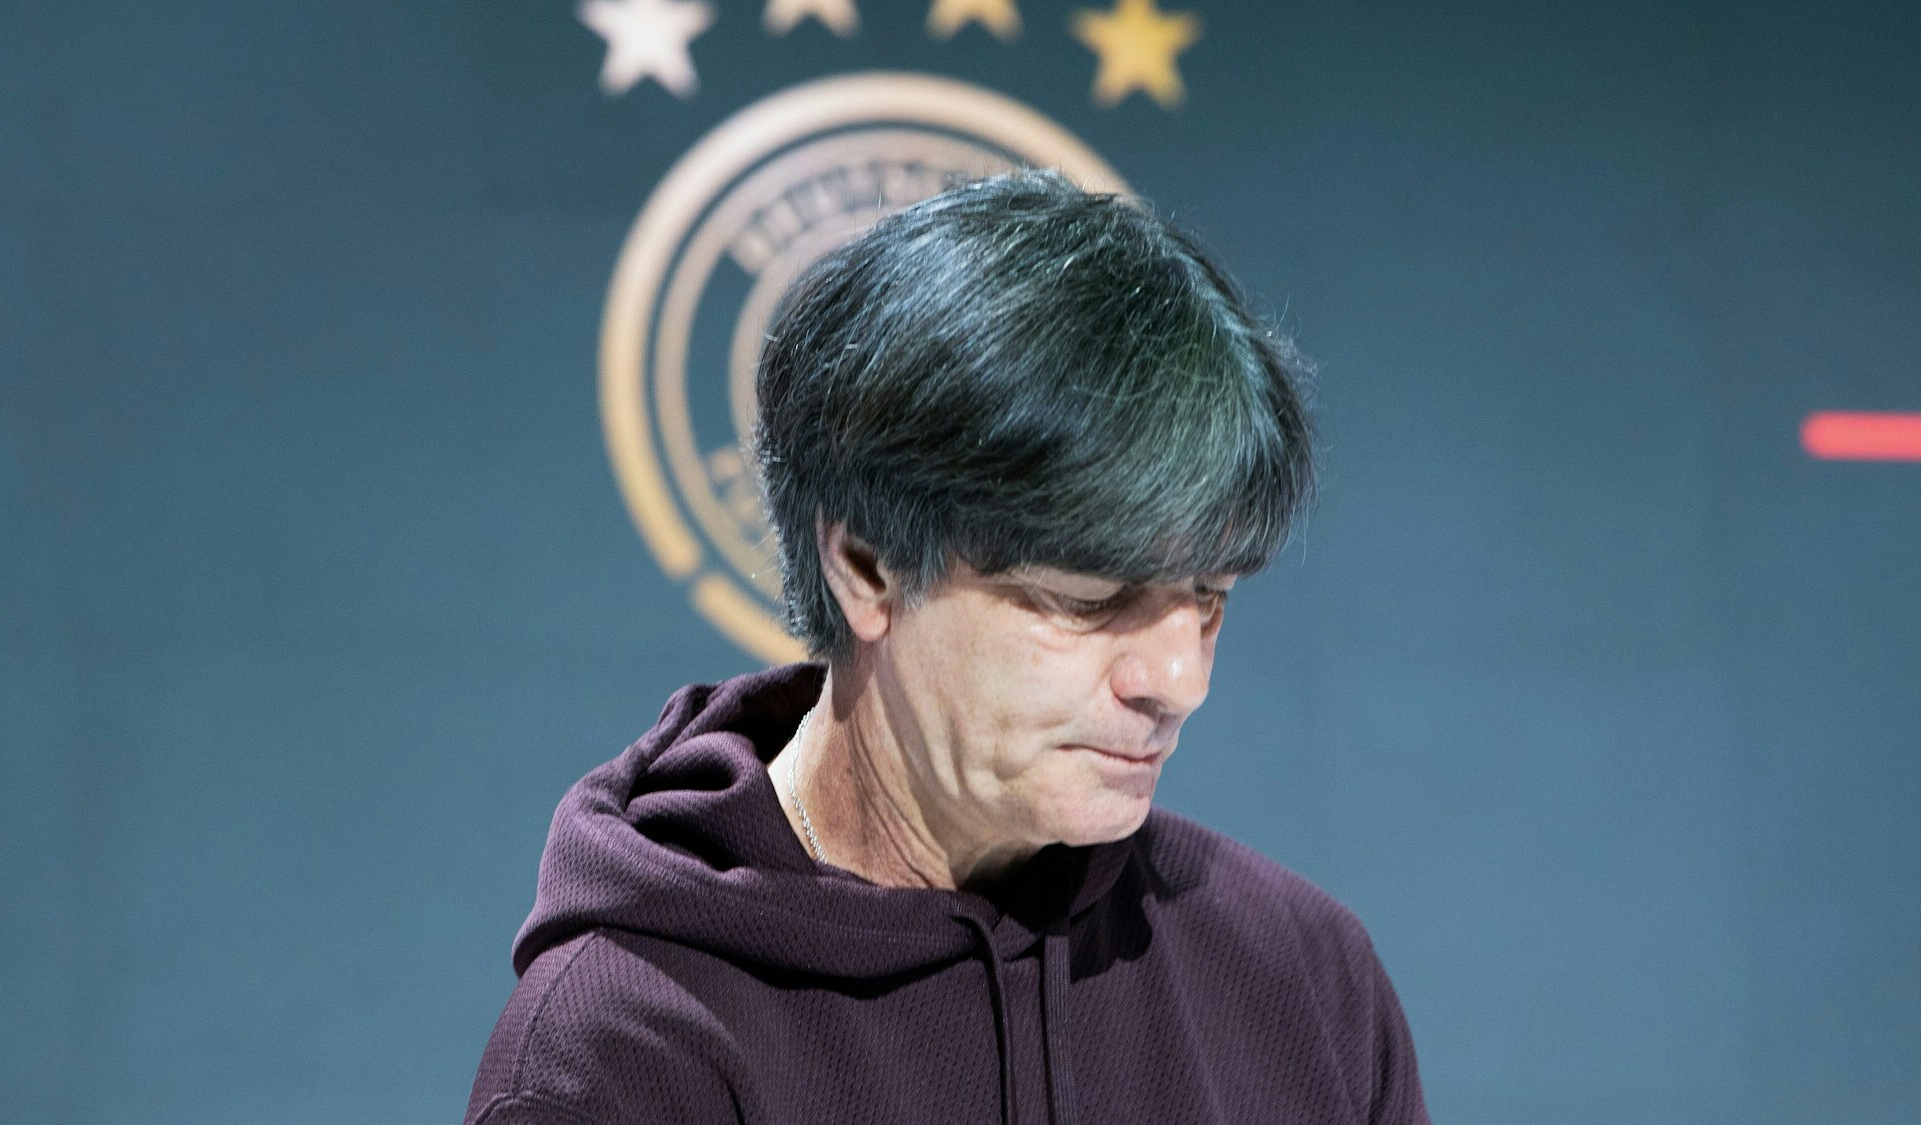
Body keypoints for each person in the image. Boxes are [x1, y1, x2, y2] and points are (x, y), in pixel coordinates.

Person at [464, 169, 1429, 1124]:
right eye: (1086, 598)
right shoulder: (616, 1058)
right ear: (868, 567)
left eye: (1209, 597)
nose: (1181, 680)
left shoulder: (1307, 983)